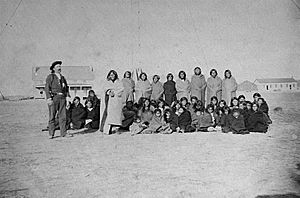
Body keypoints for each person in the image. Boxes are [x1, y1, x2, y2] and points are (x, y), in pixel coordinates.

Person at [45, 60, 72, 139]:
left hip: (62, 98)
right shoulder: (51, 77)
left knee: (63, 116)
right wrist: (49, 98)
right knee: (52, 116)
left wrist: (67, 98)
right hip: (54, 98)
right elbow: (47, 88)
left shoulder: (63, 78)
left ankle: (63, 133)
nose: (59, 68)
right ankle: (51, 133)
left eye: (60, 66)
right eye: (57, 67)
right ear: (53, 68)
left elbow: (66, 89)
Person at [99, 70, 124, 134]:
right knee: (108, 114)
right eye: (111, 75)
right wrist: (109, 92)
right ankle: (107, 129)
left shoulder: (119, 82)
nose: (112, 76)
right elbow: (104, 89)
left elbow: (121, 89)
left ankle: (116, 128)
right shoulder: (107, 82)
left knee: (116, 115)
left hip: (117, 100)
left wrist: (115, 92)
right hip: (109, 100)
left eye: (113, 75)